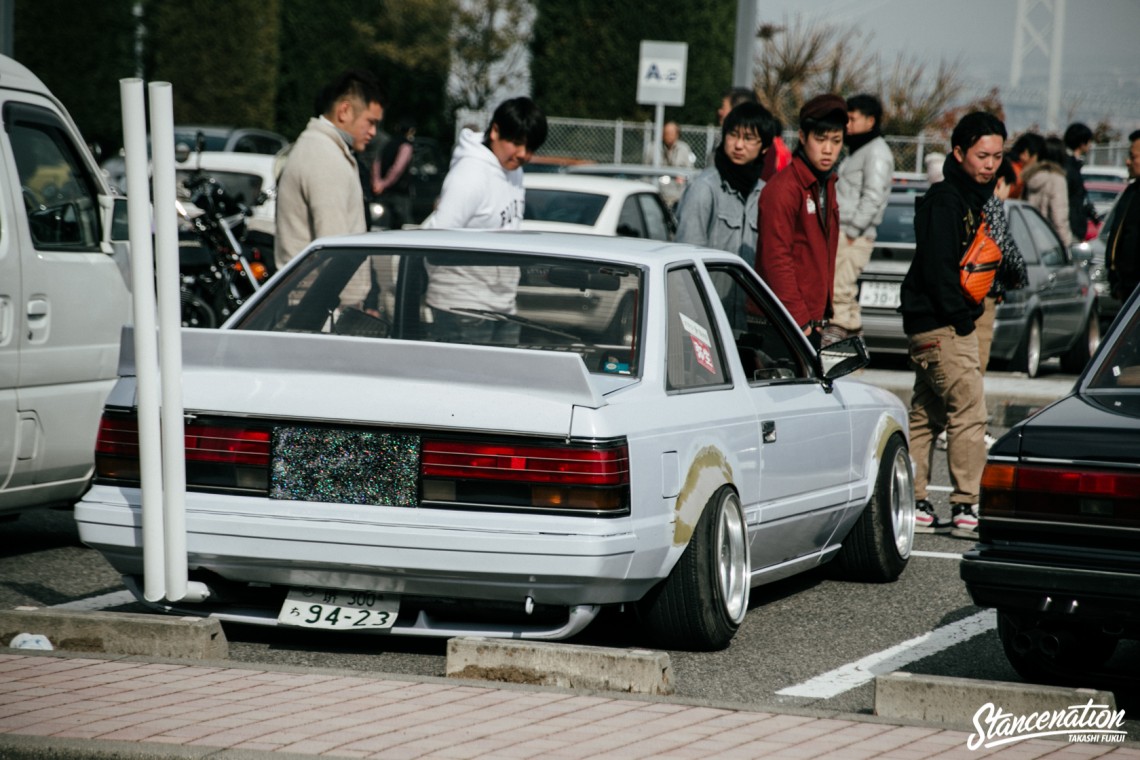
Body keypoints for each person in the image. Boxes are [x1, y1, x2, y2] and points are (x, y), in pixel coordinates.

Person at [900, 111, 1006, 539]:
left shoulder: (967, 197)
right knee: (969, 412)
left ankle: (913, 502)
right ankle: (967, 506)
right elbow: (939, 268)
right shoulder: (947, 200)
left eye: (998, 156)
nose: (991, 164)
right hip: (943, 325)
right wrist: (963, 320)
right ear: (958, 152)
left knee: (926, 415)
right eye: (982, 155)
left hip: (927, 323)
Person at [422, 97, 547, 344]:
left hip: (502, 305)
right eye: (516, 143)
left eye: (531, 147)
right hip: (462, 308)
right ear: (495, 131)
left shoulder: (513, 171)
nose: (523, 154)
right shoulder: (470, 175)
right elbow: (434, 243)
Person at [756, 94, 846, 350]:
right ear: (803, 137)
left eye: (836, 141)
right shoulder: (784, 188)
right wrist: (802, 323)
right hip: (782, 322)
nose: (828, 149)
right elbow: (776, 258)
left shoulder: (826, 183)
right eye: (820, 139)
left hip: (809, 320)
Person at [276, 70, 386, 274]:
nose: (373, 132)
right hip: (320, 299)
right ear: (344, 111)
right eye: (370, 122)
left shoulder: (323, 149)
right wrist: (350, 302)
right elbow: (335, 252)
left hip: (315, 296)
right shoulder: (323, 156)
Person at [824, 93, 895, 347]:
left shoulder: (876, 153)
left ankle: (834, 348)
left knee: (839, 291)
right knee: (846, 293)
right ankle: (856, 348)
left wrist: (853, 231)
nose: (847, 125)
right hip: (846, 230)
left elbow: (874, 196)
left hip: (853, 232)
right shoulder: (861, 150)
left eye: (853, 119)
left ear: (871, 121)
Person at [675, 102, 778, 266]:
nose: (738, 145)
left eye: (749, 138)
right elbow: (684, 260)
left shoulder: (764, 193)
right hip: (706, 292)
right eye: (733, 134)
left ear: (764, 147)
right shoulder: (704, 188)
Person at [1106, 129, 1140, 302]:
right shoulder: (1132, 192)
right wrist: (1115, 280)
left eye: (1133, 157)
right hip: (1127, 288)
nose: (1128, 162)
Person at [1021, 136, 1072, 246]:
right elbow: (1059, 219)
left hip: (1028, 242)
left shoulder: (1031, 177)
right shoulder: (1057, 180)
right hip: (1049, 244)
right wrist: (1066, 245)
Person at [373, 116, 417, 229]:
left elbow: (377, 162)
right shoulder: (406, 146)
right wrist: (384, 183)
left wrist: (377, 182)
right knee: (405, 224)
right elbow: (397, 168)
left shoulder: (387, 143)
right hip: (399, 191)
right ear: (410, 130)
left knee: (382, 224)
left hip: (382, 192)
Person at [1063, 122, 1099, 242]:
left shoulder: (1071, 165)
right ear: (1082, 143)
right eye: (1088, 141)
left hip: (1074, 226)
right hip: (1071, 228)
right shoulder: (1071, 168)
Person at [1007, 131, 1044, 200]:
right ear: (1025, 154)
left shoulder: (1009, 167)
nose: (1039, 163)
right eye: (1038, 157)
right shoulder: (1017, 175)